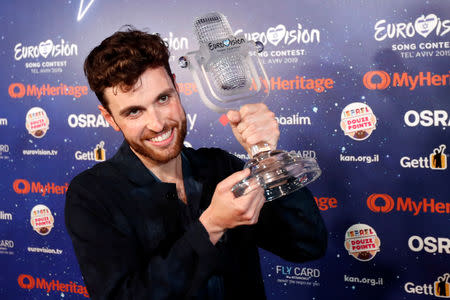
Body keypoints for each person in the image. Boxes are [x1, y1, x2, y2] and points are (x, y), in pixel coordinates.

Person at [65, 27, 327, 300]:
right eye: (134, 112)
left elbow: (308, 245)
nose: (157, 124)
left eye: (163, 98)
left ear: (177, 86)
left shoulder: (220, 166)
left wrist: (266, 155)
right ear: (109, 117)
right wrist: (211, 226)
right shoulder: (92, 195)